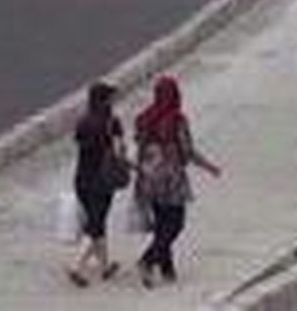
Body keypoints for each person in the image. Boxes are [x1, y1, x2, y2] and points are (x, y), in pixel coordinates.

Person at [133, 76, 221, 288]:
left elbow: (139, 147)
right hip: (171, 178)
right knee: (175, 224)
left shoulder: (144, 118)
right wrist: (209, 167)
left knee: (162, 223)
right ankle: (147, 260)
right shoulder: (176, 120)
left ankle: (167, 269)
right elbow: (188, 150)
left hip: (149, 177)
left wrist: (140, 174)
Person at [68, 82, 127, 287]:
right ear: (105, 101)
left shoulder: (83, 121)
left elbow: (79, 144)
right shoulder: (112, 122)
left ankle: (105, 266)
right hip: (103, 180)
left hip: (81, 178)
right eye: (110, 98)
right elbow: (120, 150)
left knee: (98, 220)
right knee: (95, 223)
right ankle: (77, 266)